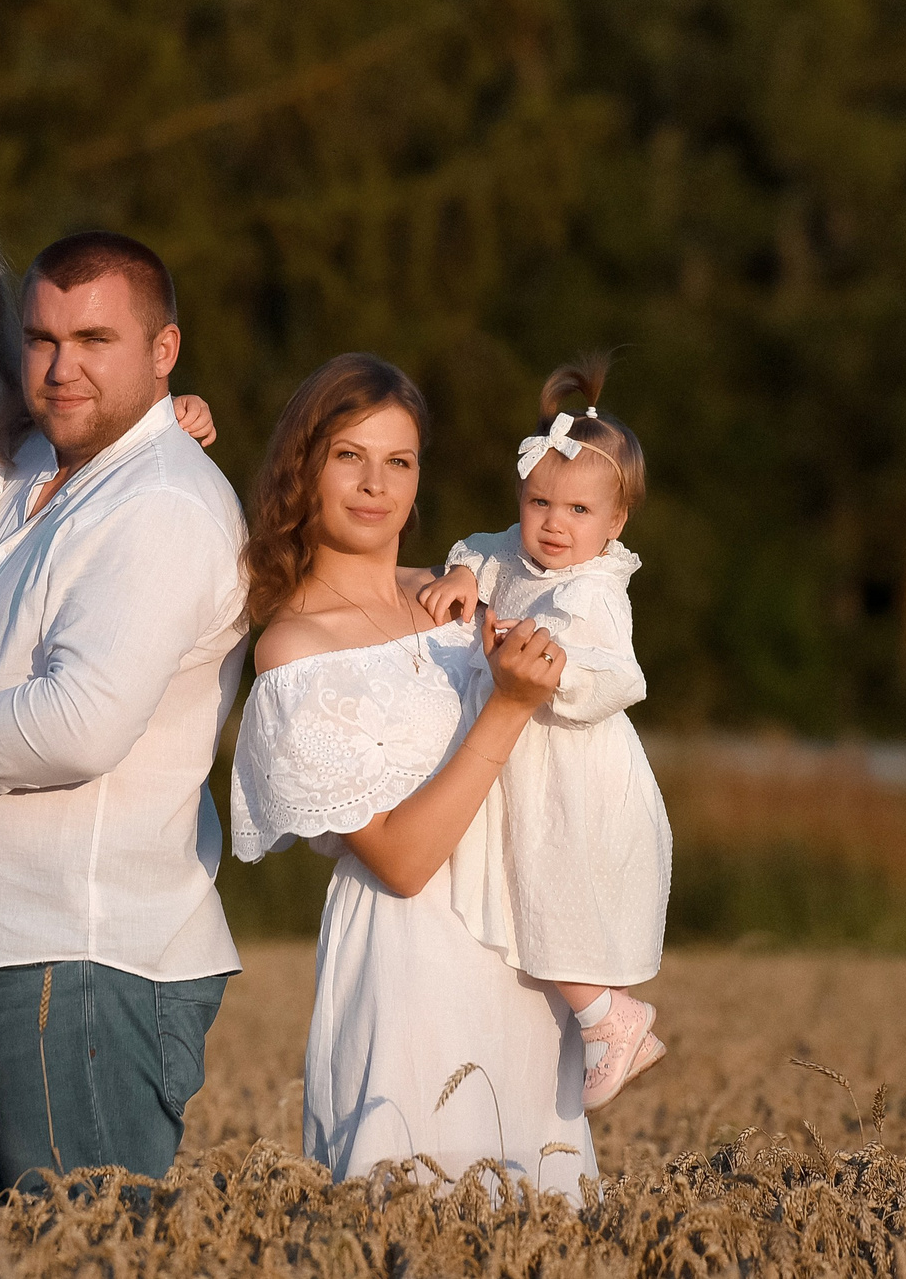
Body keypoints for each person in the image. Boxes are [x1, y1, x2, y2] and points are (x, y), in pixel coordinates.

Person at [0, 231, 247, 1203]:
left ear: (164, 350)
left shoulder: (158, 503)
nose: (61, 367)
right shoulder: (32, 475)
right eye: (41, 337)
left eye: (95, 337)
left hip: (79, 959)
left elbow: (79, 723)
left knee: (78, 1251)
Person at [226, 354, 599, 1197]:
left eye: (399, 461)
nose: (375, 484)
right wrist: (503, 708)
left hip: (520, 951)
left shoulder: (459, 594)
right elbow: (398, 858)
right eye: (349, 455)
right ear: (305, 465)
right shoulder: (295, 647)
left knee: (543, 1217)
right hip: (408, 962)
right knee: (413, 1206)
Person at [415, 353, 673, 1109]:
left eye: (579, 511)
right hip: (515, 765)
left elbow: (618, 675)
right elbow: (477, 551)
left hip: (573, 771)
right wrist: (462, 576)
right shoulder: (511, 551)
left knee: (554, 892)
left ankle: (609, 1014)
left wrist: (552, 665)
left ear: (616, 522)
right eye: (539, 503)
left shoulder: (595, 589)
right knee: (523, 886)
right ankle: (590, 1019)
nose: (554, 524)